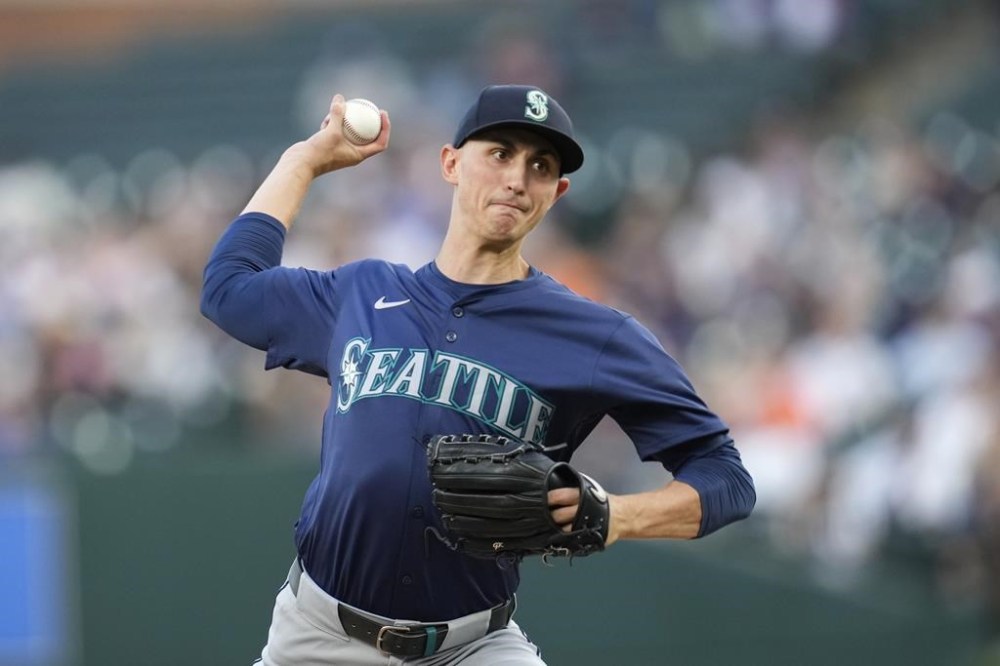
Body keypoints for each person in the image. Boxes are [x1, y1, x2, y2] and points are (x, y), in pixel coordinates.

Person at [201, 84, 756, 665]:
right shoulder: (361, 295)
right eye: (500, 153)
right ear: (451, 163)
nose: (517, 178)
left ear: (556, 193)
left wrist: (616, 516)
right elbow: (228, 288)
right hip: (318, 639)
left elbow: (726, 478)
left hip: (474, 647)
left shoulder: (594, 334)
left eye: (541, 166)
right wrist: (304, 160)